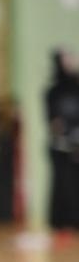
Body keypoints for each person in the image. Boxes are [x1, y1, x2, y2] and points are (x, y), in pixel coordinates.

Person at [45, 50, 79, 236]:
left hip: (76, 142)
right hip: (60, 146)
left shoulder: (76, 86)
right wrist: (64, 137)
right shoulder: (53, 92)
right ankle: (61, 222)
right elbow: (53, 121)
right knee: (62, 184)